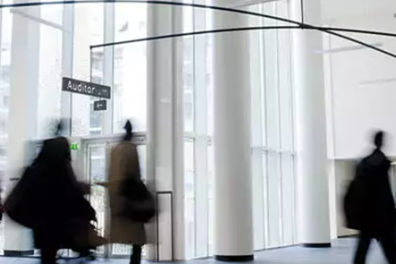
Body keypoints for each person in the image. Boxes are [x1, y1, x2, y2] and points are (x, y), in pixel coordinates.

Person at [29, 136, 96, 264]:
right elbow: (71, 191)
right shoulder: (62, 169)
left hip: (42, 224)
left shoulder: (37, 169)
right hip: (57, 222)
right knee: (50, 253)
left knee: (47, 255)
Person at [344, 131, 396, 264]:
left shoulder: (363, 164)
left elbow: (359, 191)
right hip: (381, 216)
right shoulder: (382, 165)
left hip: (367, 215)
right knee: (390, 249)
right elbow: (385, 195)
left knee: (362, 249)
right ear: (381, 142)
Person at [101, 121, 146, 264]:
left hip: (118, 199)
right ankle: (135, 261)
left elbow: (112, 175)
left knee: (128, 234)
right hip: (131, 199)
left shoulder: (115, 150)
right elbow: (135, 173)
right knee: (137, 238)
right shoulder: (130, 149)